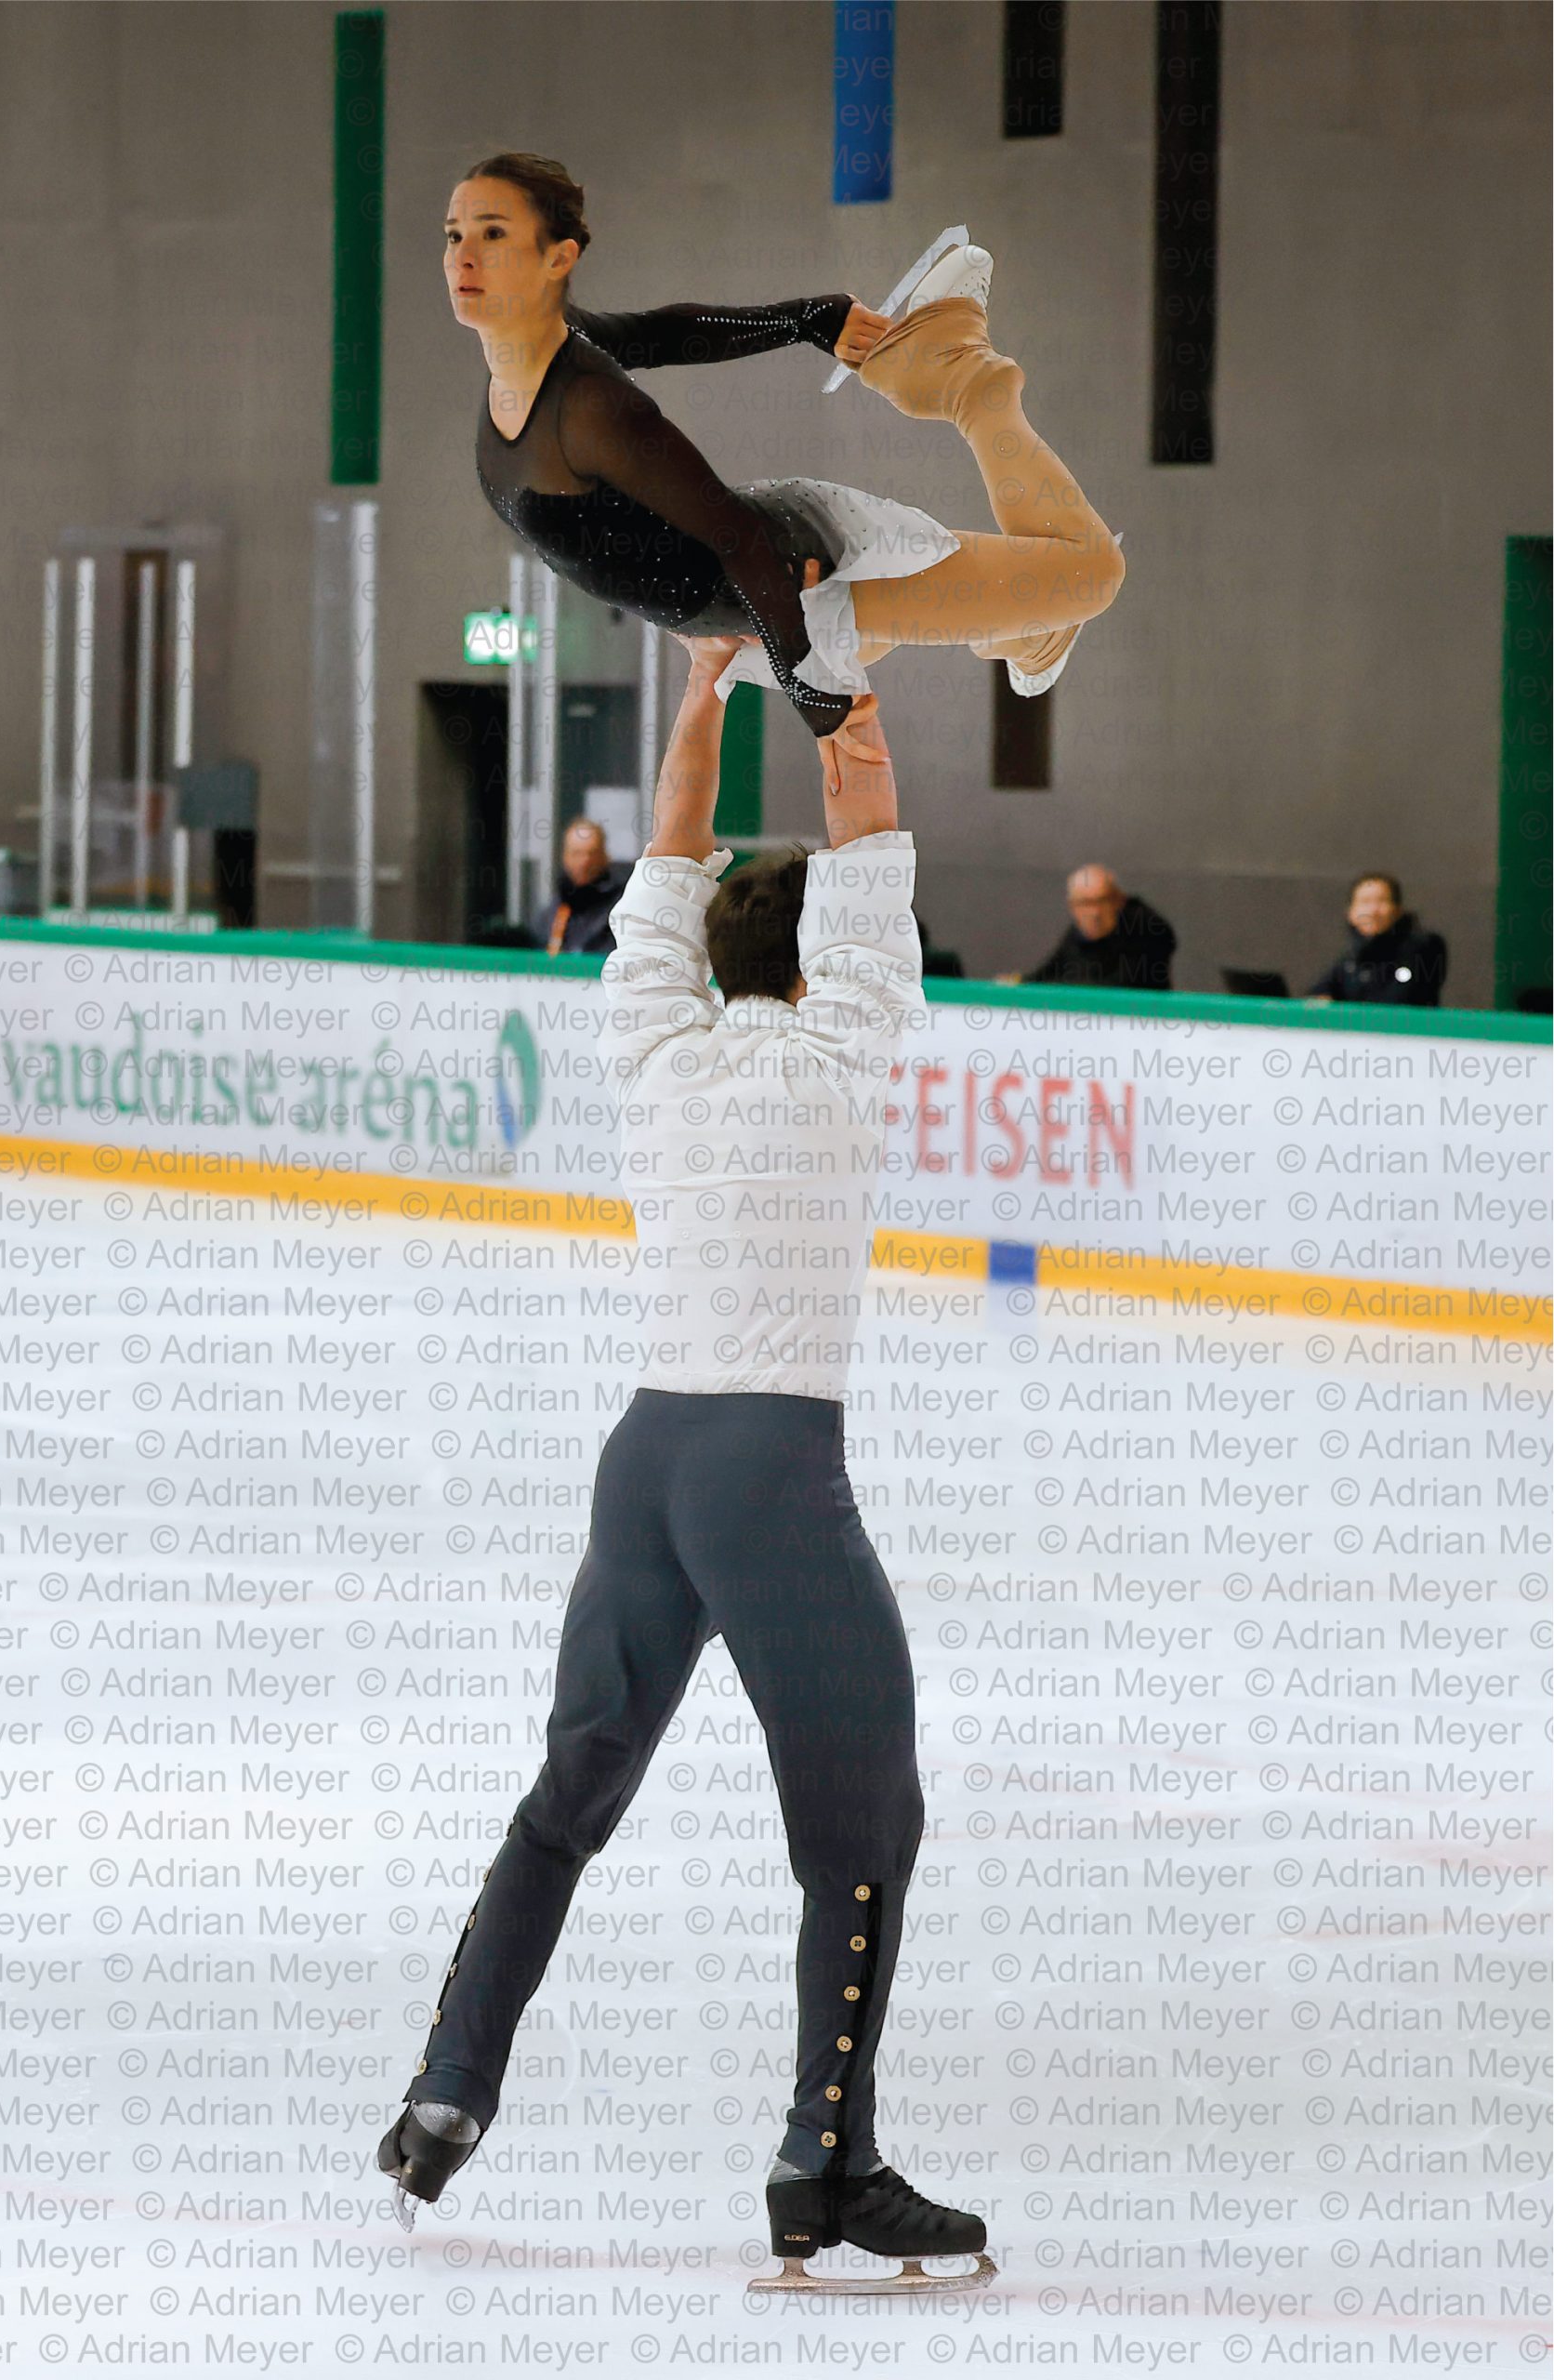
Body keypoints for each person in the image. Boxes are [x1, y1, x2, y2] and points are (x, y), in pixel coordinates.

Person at [378, 608, 995, 2294]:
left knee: (567, 1800)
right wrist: (834, 640)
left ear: (711, 945)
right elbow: (862, 793)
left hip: (644, 1461)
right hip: (768, 1476)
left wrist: (712, 678)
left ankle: (444, 2093)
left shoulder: (651, 1030)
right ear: (830, 947)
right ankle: (826, 2163)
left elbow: (668, 843)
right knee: (864, 1829)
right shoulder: (848, 1029)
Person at [452, 151, 1125, 747]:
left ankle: (967, 385)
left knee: (1093, 575)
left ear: (557, 258)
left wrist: (808, 686)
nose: (464, 256)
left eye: (492, 233)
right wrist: (804, 320)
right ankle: (1030, 628)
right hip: (754, 600)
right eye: (454, 235)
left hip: (802, 574)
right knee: (1006, 610)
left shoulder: (589, 406)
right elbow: (662, 334)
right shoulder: (543, 356)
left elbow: (737, 537)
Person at [1006, 863, 1177, 990]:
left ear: (1117, 900)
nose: (1094, 912)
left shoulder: (1147, 930)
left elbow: (1120, 986)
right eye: (1084, 903)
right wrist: (1019, 984)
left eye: (1101, 901)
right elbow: (1048, 972)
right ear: (1072, 906)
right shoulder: (1076, 935)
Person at [1306, 873, 1447, 1006]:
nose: (1373, 911)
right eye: (1365, 902)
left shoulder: (1423, 947)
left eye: (1382, 901)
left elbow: (1403, 997)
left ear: (1397, 910)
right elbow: (1319, 993)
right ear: (1351, 913)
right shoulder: (1349, 961)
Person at [530, 815, 631, 955]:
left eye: (591, 854)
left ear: (605, 856)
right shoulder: (552, 913)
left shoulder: (622, 907)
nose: (584, 862)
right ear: (565, 857)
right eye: (577, 853)